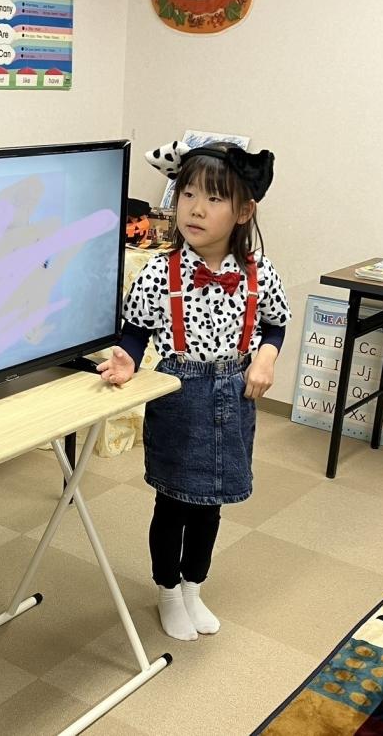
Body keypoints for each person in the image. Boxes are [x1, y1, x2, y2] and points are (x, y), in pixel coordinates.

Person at [97, 140, 291, 641]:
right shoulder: (158, 272)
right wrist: (126, 359)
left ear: (244, 211)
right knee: (173, 503)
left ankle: (192, 588)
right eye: (187, 194)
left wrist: (266, 357)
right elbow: (135, 332)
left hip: (235, 398)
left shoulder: (259, 272)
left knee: (211, 504)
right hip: (180, 396)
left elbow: (275, 325)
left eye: (214, 198)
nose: (196, 209)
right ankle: (167, 591)